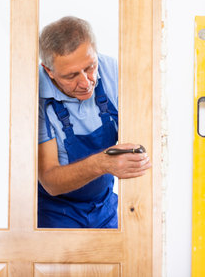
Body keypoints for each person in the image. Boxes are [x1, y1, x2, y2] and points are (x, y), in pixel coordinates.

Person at [38, 16, 151, 228]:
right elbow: (49, 180)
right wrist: (102, 163)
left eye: (90, 67)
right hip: (55, 211)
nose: (85, 82)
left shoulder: (116, 73)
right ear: (49, 71)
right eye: (71, 76)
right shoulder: (35, 95)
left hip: (105, 205)